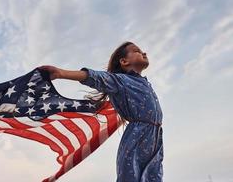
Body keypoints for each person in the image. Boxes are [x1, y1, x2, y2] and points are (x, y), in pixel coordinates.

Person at [38, 41, 164, 182]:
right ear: (124, 61)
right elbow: (97, 77)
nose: (144, 53)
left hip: (155, 138)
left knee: (154, 178)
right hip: (137, 137)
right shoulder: (120, 81)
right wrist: (61, 73)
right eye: (137, 51)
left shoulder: (144, 82)